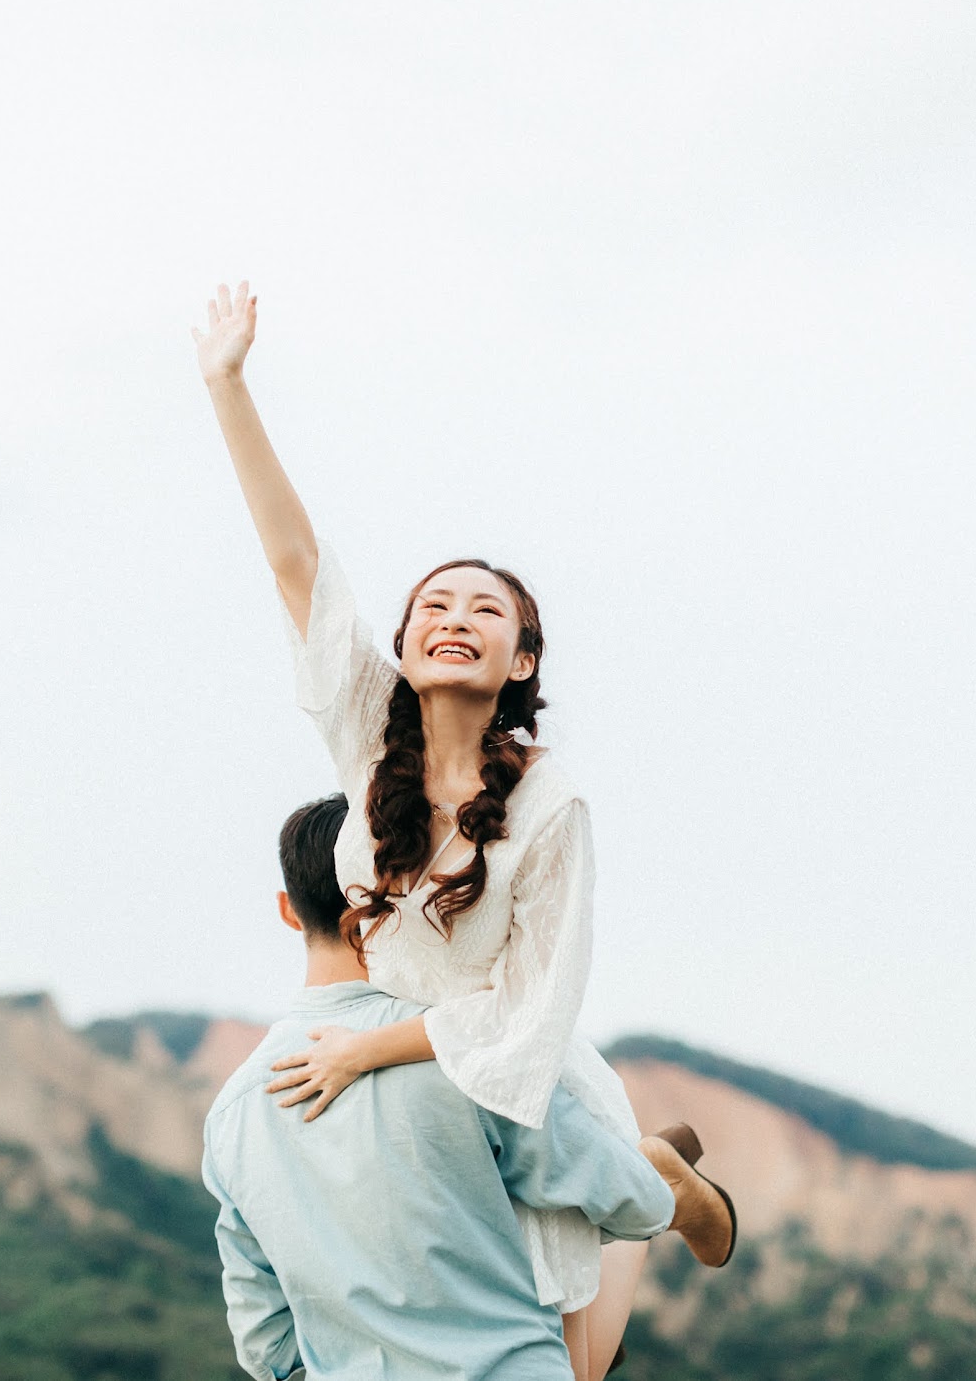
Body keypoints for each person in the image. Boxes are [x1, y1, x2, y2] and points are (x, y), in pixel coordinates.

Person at [192, 281, 735, 1380]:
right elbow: (298, 566)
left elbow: (527, 1009)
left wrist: (368, 1049)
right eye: (434, 604)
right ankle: (642, 1170)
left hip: (497, 1068)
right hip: (392, 1062)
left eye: (486, 610)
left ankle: (669, 1185)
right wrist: (228, 384)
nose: (453, 618)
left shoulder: (550, 805)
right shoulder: (367, 734)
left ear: (520, 660)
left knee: (562, 1356)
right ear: (404, 644)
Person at [202, 795, 736, 1381]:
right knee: (594, 1196)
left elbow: (266, 1345)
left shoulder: (234, 1113)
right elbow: (628, 1202)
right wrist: (652, 1200)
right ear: (400, 894)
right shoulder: (458, 1047)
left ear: (289, 911)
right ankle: (666, 1178)